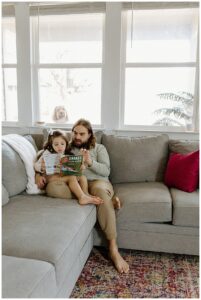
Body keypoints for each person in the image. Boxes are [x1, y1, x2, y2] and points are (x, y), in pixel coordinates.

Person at [36, 120, 129, 273]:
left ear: (90, 134)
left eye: (82, 134)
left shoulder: (99, 148)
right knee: (52, 187)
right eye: (75, 133)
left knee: (100, 192)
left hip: (98, 182)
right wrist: (39, 174)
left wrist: (90, 162)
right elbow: (44, 156)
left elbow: (106, 171)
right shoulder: (66, 146)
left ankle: (113, 248)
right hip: (75, 183)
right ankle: (102, 202)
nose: (77, 136)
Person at [35, 130, 103, 206]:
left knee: (82, 177)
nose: (59, 146)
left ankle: (86, 194)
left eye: (62, 144)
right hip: (50, 177)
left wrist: (81, 167)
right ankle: (81, 197)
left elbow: (73, 168)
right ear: (51, 145)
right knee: (72, 177)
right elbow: (36, 165)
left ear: (66, 144)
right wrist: (41, 167)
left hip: (62, 175)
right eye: (56, 144)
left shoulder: (67, 154)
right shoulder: (47, 153)